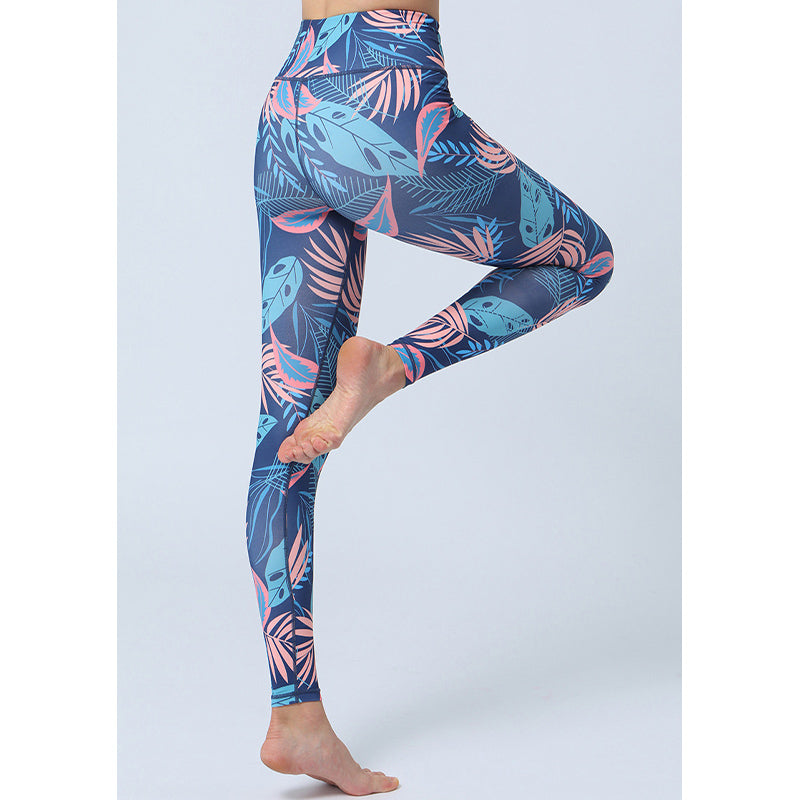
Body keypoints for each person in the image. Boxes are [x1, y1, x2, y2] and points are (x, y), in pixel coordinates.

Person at [246, 1, 614, 794]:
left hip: (289, 109)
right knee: (582, 259)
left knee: (288, 431)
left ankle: (295, 716)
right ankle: (391, 367)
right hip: (383, 92)